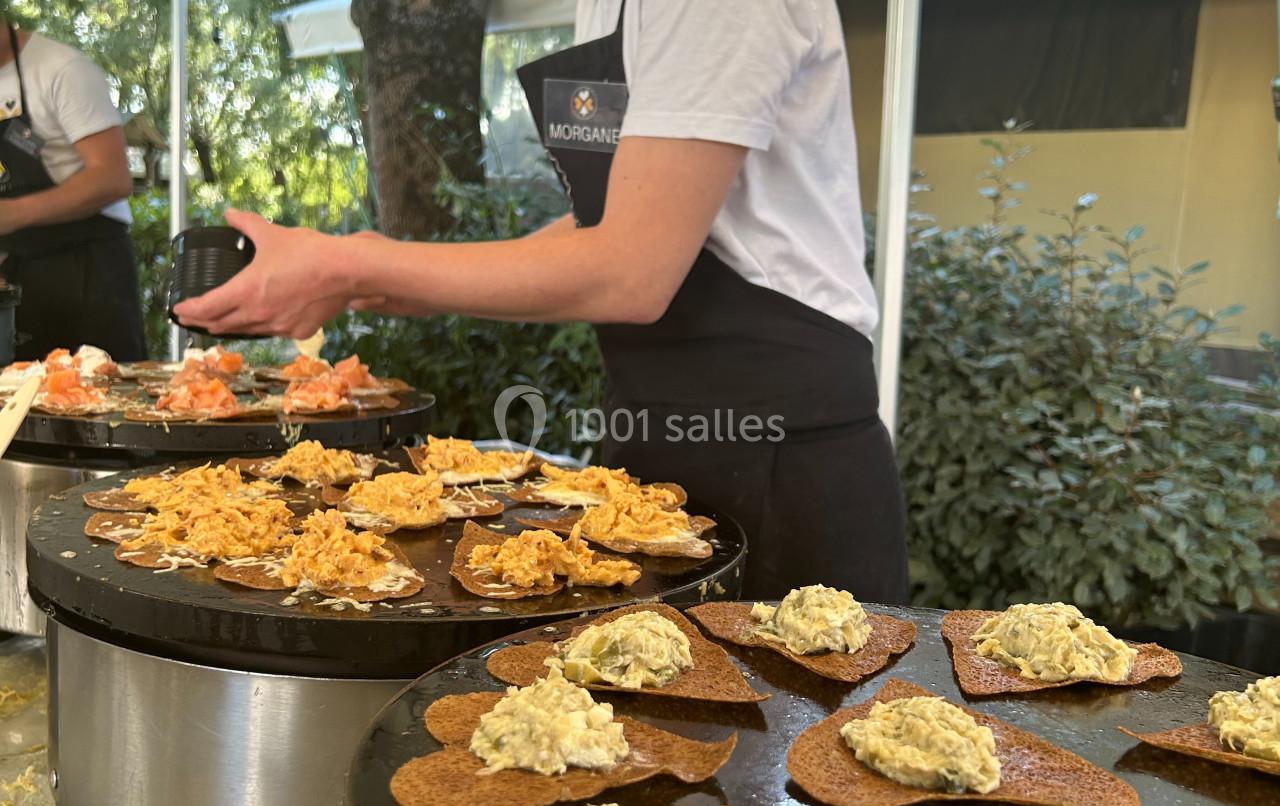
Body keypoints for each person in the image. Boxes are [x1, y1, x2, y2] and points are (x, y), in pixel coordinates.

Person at [176, 0, 908, 602]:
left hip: (780, 458)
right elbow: (616, 220)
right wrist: (382, 278)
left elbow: (631, 269)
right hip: (655, 440)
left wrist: (346, 261)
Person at [0, 17, 146, 361]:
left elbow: (112, 177)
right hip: (19, 277)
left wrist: (13, 215)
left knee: (102, 402)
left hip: (90, 270)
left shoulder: (62, 69)